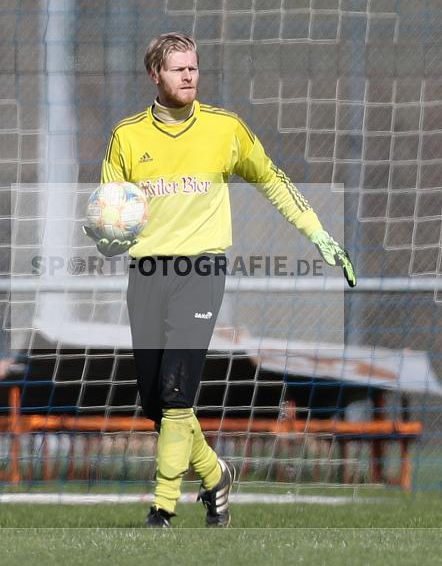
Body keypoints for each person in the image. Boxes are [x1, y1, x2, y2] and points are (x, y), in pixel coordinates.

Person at [85, 32, 356, 528]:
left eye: (194, 68)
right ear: (155, 75)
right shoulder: (127, 136)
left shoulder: (224, 129)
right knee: (157, 404)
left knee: (176, 393)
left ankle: (161, 509)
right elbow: (111, 211)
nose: (189, 76)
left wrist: (318, 233)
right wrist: (107, 237)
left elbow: (272, 179)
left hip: (201, 271)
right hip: (147, 273)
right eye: (178, 69)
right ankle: (215, 476)